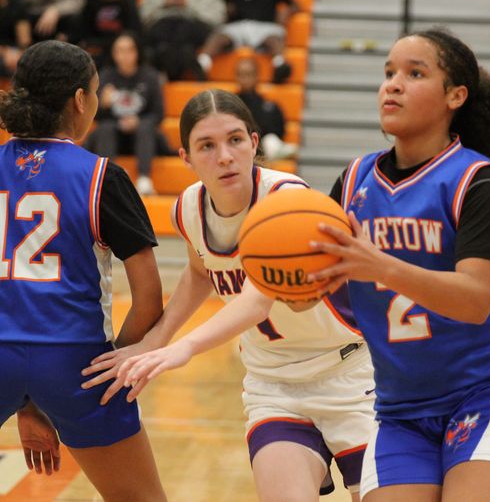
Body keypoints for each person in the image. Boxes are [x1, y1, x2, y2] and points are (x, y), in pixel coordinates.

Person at [83, 89, 375, 500]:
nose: (224, 156)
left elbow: (258, 299)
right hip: (273, 384)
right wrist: (153, 341)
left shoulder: (287, 199)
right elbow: (199, 273)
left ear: (254, 143)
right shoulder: (188, 207)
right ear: (186, 157)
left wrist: (182, 348)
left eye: (235, 140)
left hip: (349, 373)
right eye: (207, 146)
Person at [304, 27, 490, 501]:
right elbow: (322, 289)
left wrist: (380, 266)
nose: (393, 85)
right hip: (399, 410)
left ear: (455, 96)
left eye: (414, 74)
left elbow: (473, 301)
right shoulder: (355, 181)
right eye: (389, 73)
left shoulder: (480, 184)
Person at [0, 40, 166, 501]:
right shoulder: (101, 176)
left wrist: (24, 396)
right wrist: (117, 363)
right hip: (74, 359)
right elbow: (149, 297)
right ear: (79, 99)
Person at [84, 32, 164, 195]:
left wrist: (137, 121)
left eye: (129, 50)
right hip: (114, 135)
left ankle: (144, 179)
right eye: (120, 50)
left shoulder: (150, 76)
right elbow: (95, 117)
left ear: (137, 52)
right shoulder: (105, 76)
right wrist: (102, 104)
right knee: (105, 128)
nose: (125, 55)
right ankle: (110, 180)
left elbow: (158, 114)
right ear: (114, 54)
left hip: (143, 136)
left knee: (146, 126)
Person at [198, 0, 298, 84]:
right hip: (236, 27)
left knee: (274, 39)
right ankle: (202, 64)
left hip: (265, 27)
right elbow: (215, 8)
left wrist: (287, 11)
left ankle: (280, 65)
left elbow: (295, 5)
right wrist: (225, 11)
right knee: (219, 37)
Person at [139, 0, 225, 80]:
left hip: (192, 28)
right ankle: (188, 62)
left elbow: (216, 20)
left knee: (182, 29)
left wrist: (188, 7)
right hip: (162, 27)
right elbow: (141, 17)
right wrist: (163, 4)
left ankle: (165, 69)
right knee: (166, 29)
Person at [234, 56, 297, 160]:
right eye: (241, 74)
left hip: (263, 148)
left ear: (257, 76)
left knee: (270, 141)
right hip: (237, 147)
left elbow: (280, 131)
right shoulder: (229, 107)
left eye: (249, 74)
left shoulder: (270, 107)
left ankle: (276, 151)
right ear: (236, 77)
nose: (245, 79)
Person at [81, 0, 141, 70]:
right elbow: (84, 35)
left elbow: (135, 33)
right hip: (97, 53)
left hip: (119, 53)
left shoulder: (127, 3)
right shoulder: (90, 5)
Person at [0, 0, 31, 83]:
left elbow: (24, 41)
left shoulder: (17, 4)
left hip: (11, 53)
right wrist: (4, 52)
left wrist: (19, 54)